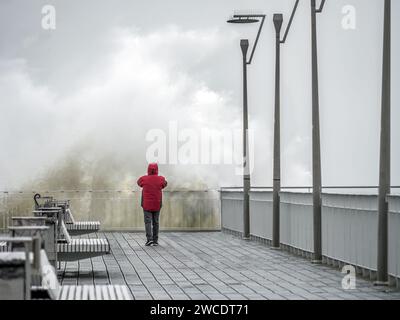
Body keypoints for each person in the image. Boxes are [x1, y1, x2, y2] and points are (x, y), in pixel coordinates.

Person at [137, 163, 167, 246]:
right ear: (157, 169)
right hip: (157, 203)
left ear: (148, 169)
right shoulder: (161, 179)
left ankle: (149, 239)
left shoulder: (144, 179)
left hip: (146, 204)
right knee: (156, 222)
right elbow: (165, 184)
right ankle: (155, 240)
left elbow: (138, 183)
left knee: (148, 222)